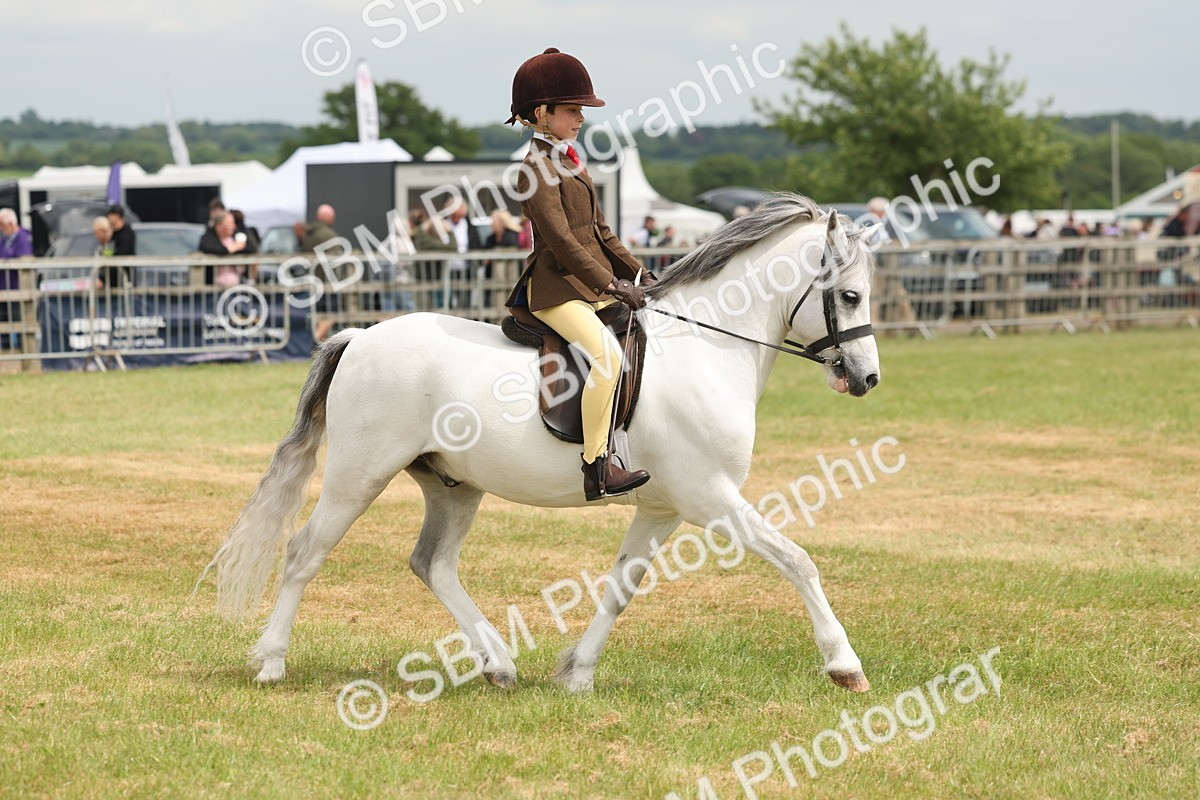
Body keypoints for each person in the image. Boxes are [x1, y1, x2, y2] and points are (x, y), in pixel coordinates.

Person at [503, 47, 656, 501]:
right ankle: (597, 466)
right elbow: (564, 243)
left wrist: (642, 274)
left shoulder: (569, 160)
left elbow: (600, 233)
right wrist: (610, 284)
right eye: (572, 110)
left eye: (580, 110)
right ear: (541, 114)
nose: (581, 118)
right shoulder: (533, 170)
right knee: (608, 360)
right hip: (557, 290)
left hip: (588, 287)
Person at [0, 208, 33, 350]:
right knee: (4, 324)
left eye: (2, 225)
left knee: (20, 323)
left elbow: (24, 260)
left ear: (11, 223)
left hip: (17, 290)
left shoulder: (23, 238)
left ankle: (25, 351)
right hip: (3, 290)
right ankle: (6, 352)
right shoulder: (3, 240)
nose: (1, 229)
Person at [199, 210, 257, 286]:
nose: (233, 226)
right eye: (229, 223)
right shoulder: (208, 237)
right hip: (214, 286)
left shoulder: (236, 236)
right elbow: (212, 248)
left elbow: (251, 249)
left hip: (238, 284)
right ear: (219, 226)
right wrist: (233, 247)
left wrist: (237, 247)